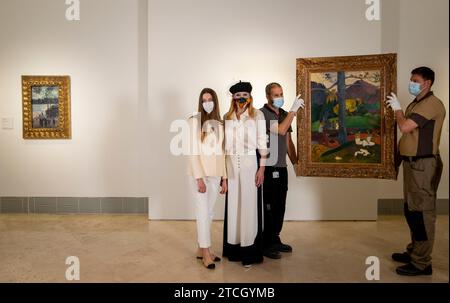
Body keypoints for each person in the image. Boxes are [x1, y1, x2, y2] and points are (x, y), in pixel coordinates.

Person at [386, 66, 445, 276]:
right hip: (413, 164)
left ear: (427, 83)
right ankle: (414, 252)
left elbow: (405, 127)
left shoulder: (432, 104)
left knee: (422, 213)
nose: (411, 83)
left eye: (414, 80)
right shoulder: (418, 102)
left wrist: (397, 110)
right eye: (411, 79)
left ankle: (422, 263)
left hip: (424, 165)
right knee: (412, 210)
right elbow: (410, 138)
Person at [222, 81, 268, 267]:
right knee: (234, 206)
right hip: (231, 162)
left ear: (249, 96)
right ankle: (234, 248)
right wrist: (223, 175)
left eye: (244, 94)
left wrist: (262, 168)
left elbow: (262, 142)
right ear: (233, 98)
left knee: (249, 205)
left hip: (250, 162)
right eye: (237, 95)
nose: (241, 98)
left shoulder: (257, 115)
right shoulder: (228, 116)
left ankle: (250, 250)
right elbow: (224, 147)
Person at [260, 83, 304, 259]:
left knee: (280, 205)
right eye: (275, 95)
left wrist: (295, 162)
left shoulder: (285, 114)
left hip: (282, 167)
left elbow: (287, 141)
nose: (279, 97)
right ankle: (266, 242)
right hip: (268, 168)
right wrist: (293, 112)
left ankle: (275, 238)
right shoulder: (262, 114)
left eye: (281, 94)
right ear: (268, 97)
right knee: (268, 206)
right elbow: (281, 129)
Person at [187, 88, 228, 270]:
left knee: (209, 213)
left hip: (216, 173)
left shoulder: (220, 124)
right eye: (204, 100)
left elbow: (223, 152)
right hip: (201, 175)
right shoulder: (193, 122)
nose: (207, 102)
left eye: (210, 99)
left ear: (215, 101)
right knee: (202, 213)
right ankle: (206, 253)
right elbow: (192, 152)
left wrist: (224, 178)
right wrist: (198, 178)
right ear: (200, 103)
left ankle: (200, 248)